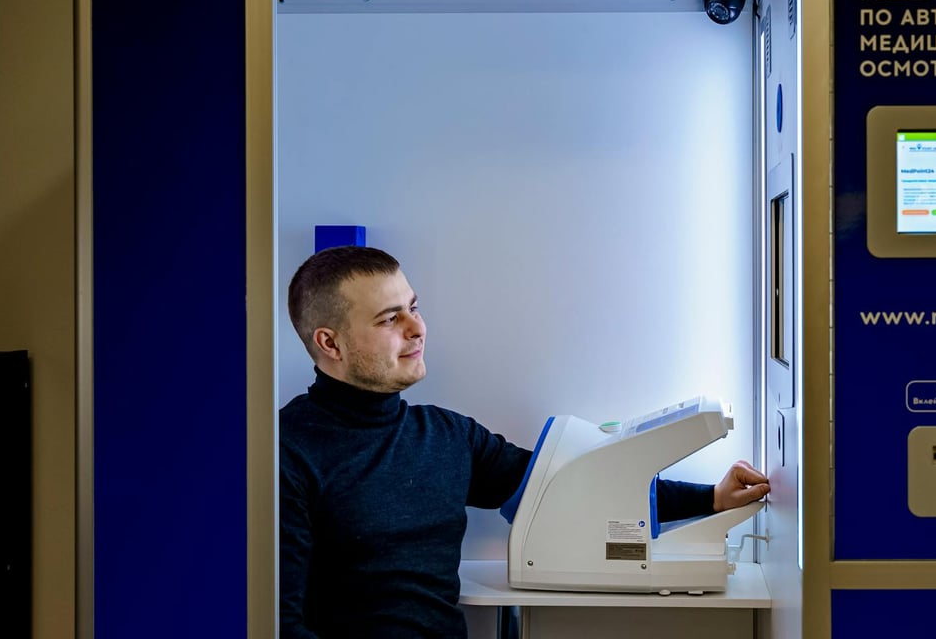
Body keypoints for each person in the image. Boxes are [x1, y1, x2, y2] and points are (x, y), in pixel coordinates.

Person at [280, 246, 770, 638]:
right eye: (390, 319)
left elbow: (568, 485)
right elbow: (277, 623)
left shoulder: (448, 436)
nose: (418, 329)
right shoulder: (283, 453)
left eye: (414, 308)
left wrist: (710, 498)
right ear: (330, 343)